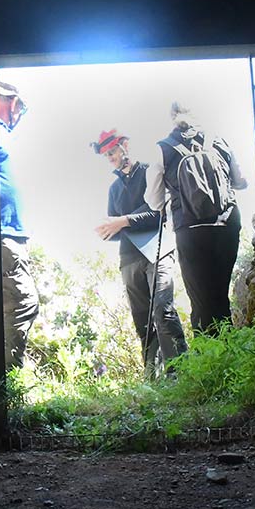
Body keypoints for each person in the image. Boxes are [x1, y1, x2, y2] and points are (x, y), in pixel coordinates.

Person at [145, 102, 249, 335]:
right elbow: (240, 181)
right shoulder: (218, 140)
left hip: (191, 229)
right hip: (227, 223)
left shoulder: (163, 148)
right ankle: (229, 350)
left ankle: (210, 361)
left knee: (202, 301)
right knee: (220, 295)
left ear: (172, 118)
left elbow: (153, 200)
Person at [91, 129, 188, 376]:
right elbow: (117, 227)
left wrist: (122, 221)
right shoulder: (113, 190)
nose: (110, 157)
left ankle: (179, 374)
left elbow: (157, 212)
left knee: (163, 311)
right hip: (129, 258)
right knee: (142, 320)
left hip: (158, 251)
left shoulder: (149, 171)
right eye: (106, 154)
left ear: (125, 145)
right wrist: (108, 229)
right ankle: (152, 379)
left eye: (112, 151)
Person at [0, 80, 40, 370]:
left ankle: (1, 372)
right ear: (8, 100)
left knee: (9, 304)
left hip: (10, 233)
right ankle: (8, 374)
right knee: (24, 302)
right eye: (19, 106)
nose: (19, 113)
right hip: (4, 232)